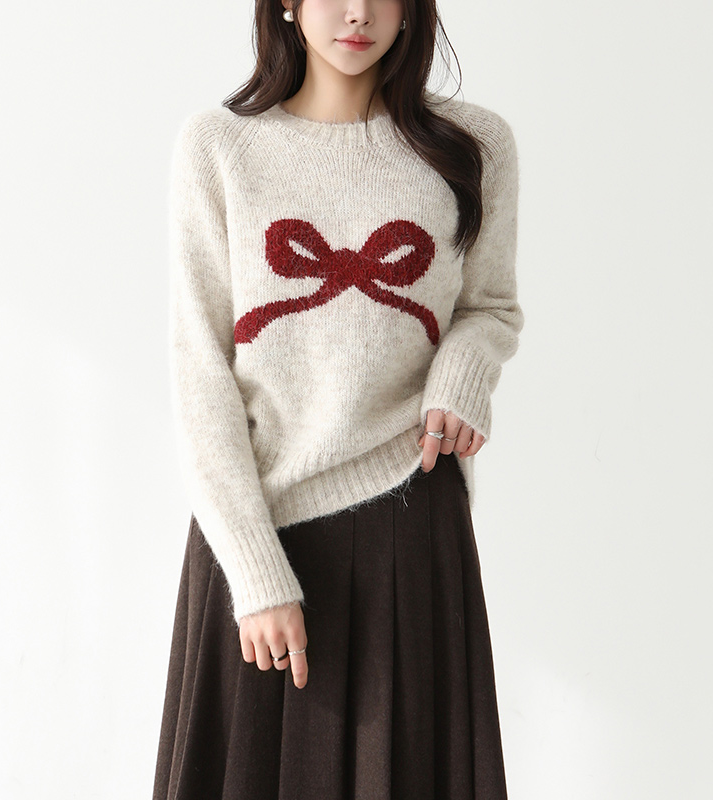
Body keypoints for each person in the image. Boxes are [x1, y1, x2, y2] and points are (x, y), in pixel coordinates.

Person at [152, 0, 524, 797]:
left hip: (410, 520)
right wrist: (257, 576)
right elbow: (200, 372)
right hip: (255, 527)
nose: (357, 13)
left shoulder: (474, 145)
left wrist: (462, 376)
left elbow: (490, 307)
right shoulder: (219, 146)